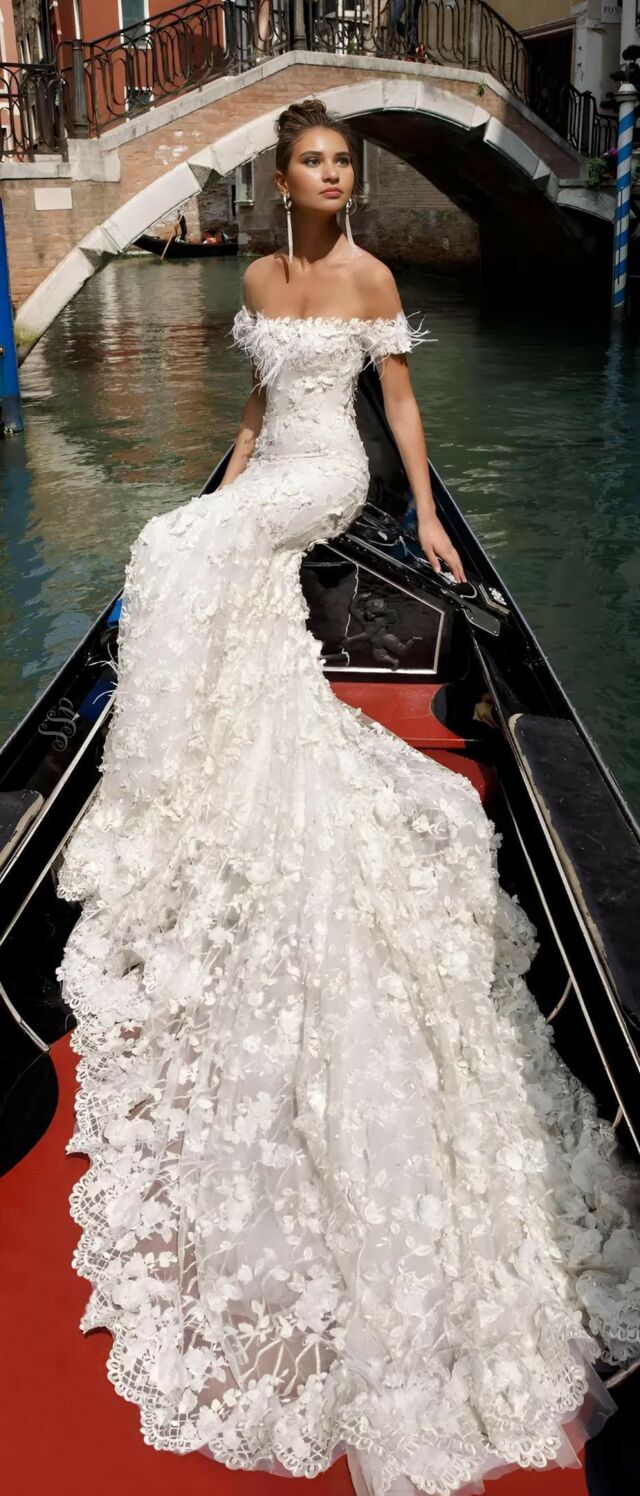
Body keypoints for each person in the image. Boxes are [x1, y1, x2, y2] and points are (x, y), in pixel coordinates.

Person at [54, 96, 640, 1496]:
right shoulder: (260, 278)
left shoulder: (371, 276)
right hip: (276, 464)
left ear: (349, 179)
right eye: (311, 162)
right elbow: (257, 408)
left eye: (342, 163)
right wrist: (226, 483)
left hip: (334, 478)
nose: (329, 176)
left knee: (171, 550)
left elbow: (397, 408)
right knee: (191, 542)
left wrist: (424, 516)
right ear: (282, 178)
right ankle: (204, 751)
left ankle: (159, 784)